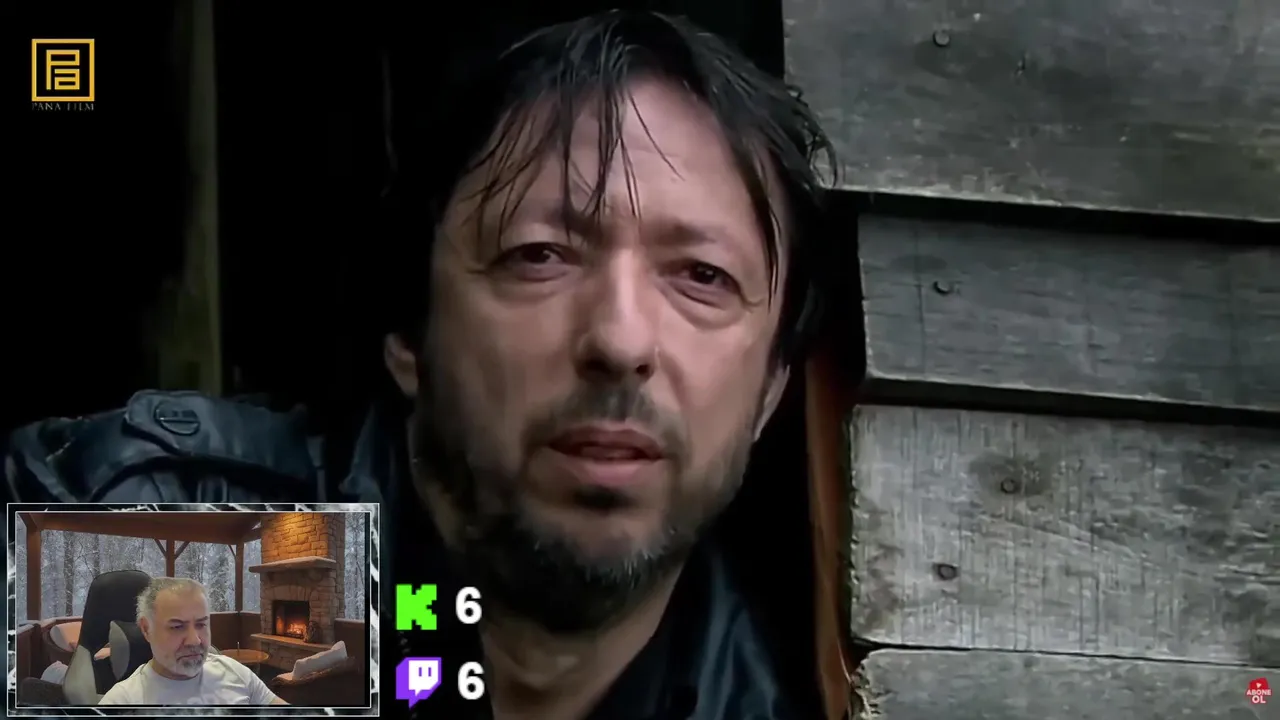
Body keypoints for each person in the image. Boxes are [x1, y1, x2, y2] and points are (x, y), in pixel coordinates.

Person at [7, 9, 833, 719]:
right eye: (539, 254)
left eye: (702, 277)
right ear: (411, 333)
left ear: (771, 389)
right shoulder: (159, 546)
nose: (621, 340)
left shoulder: (767, 697)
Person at [98, 578, 287, 706]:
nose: (194, 640)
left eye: (201, 624)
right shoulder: (122, 701)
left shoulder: (235, 672)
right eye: (177, 627)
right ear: (147, 629)